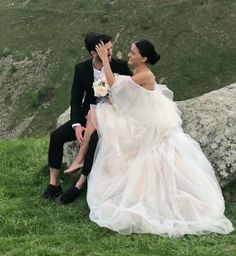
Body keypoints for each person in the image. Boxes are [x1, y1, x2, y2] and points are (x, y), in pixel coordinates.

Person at [85, 40, 234, 236]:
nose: (129, 56)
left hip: (153, 126)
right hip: (146, 119)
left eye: (133, 53)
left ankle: (160, 202)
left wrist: (104, 59)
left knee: (156, 160)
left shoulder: (145, 74)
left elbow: (115, 85)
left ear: (144, 58)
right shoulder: (139, 73)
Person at [43, 32, 132, 203]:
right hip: (88, 115)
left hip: (112, 116)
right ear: (93, 53)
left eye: (111, 48)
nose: (110, 52)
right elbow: (75, 99)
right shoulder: (81, 69)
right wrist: (76, 125)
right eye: (106, 50)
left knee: (95, 140)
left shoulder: (120, 66)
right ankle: (54, 183)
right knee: (56, 136)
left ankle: (80, 185)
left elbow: (130, 96)